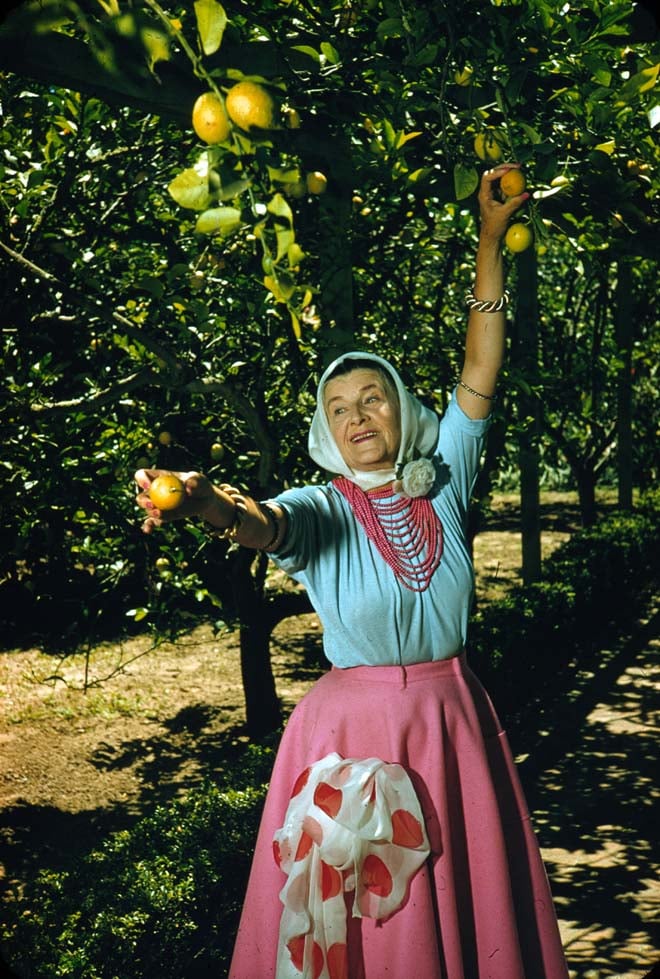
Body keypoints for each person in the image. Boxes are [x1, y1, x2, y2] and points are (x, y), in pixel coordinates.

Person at [135, 165, 569, 979]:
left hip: (450, 722)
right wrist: (202, 502)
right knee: (366, 932)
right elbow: (262, 521)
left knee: (456, 912)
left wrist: (489, 243)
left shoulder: (446, 477)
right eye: (340, 407)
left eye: (374, 397)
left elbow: (480, 371)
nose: (359, 415)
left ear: (403, 409)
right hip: (347, 736)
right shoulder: (323, 504)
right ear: (326, 431)